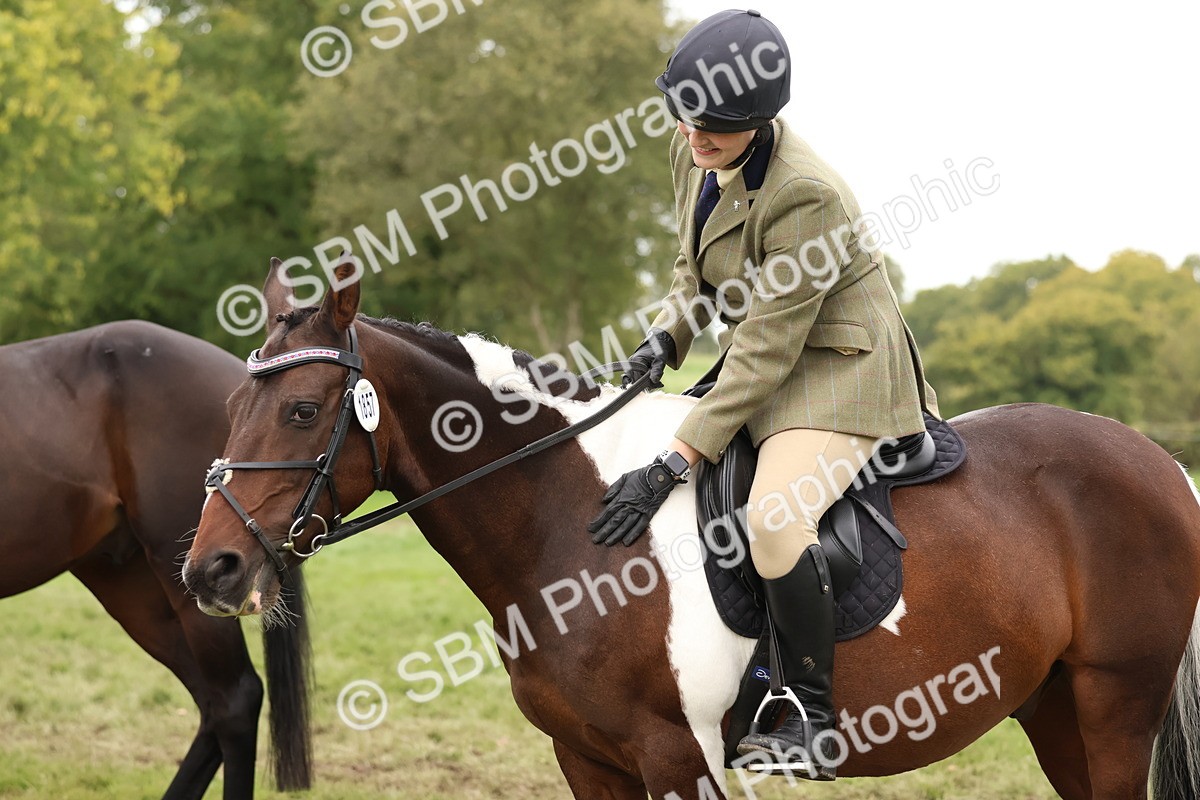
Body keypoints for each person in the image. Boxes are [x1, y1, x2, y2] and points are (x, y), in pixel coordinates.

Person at [587, 8, 939, 780]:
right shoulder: (695, 151)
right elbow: (692, 268)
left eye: (716, 124)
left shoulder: (805, 194)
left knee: (776, 518)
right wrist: (666, 339)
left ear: (761, 118)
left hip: (840, 369)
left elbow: (767, 352)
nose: (696, 135)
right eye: (687, 117)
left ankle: (808, 713)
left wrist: (673, 461)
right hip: (767, 354)